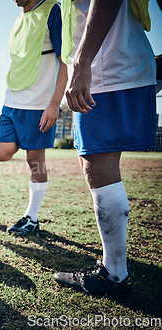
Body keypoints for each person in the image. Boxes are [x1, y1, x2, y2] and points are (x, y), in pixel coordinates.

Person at [54, 0, 156, 295]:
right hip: (113, 64)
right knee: (92, 163)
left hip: (106, 68)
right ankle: (114, 267)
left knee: (98, 165)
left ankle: (114, 273)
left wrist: (82, 61)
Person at [0, 0, 67, 235]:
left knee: (34, 159)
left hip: (39, 104)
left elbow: (65, 60)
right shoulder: (18, 19)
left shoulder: (52, 10)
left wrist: (54, 104)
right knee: (2, 152)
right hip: (12, 100)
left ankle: (32, 218)